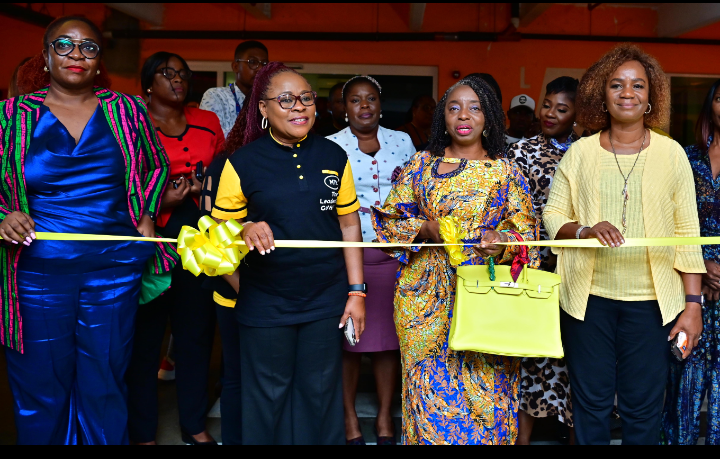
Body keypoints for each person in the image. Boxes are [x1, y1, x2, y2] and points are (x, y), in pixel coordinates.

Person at [0, 16, 174, 445]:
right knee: (42, 382)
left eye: (88, 47)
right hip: (37, 270)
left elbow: (157, 164)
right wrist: (2, 215)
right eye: (64, 45)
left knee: (105, 379)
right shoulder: (11, 116)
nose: (76, 54)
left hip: (113, 269)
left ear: (98, 61)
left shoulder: (126, 110)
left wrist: (147, 213)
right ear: (46, 56)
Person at [543, 43, 705, 445]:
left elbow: (687, 232)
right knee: (591, 406)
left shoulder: (672, 155)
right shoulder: (580, 153)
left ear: (651, 97)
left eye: (638, 85)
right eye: (617, 84)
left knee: (642, 409)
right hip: (588, 302)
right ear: (602, 94)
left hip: (653, 304)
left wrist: (693, 305)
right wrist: (584, 231)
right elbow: (552, 215)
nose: (627, 92)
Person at [372, 75, 540, 445]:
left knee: (488, 397)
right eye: (454, 108)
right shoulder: (420, 164)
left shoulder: (507, 172)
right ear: (443, 117)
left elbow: (528, 237)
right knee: (427, 399)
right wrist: (425, 228)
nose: (464, 115)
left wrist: (502, 242)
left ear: (489, 117)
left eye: (474, 108)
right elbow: (388, 224)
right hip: (424, 300)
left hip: (486, 296)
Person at [211, 62, 366, 445]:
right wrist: (244, 228)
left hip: (325, 301)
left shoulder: (334, 156)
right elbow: (215, 236)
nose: (299, 106)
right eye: (286, 99)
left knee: (320, 396)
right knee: (268, 400)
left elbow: (349, 226)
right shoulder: (241, 162)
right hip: (265, 303)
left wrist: (357, 292)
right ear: (263, 109)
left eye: (306, 98)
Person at [126, 52, 224, 446]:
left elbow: (223, 171)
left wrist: (205, 188)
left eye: (183, 74)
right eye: (168, 73)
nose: (178, 80)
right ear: (149, 83)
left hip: (198, 232)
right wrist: (156, 202)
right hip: (150, 233)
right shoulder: (131, 122)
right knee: (145, 340)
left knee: (195, 335)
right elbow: (120, 180)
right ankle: (143, 433)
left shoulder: (207, 121)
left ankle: (194, 425)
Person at [327, 75, 415, 445]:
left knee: (387, 342)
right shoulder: (331, 146)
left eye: (371, 99)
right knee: (349, 342)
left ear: (381, 104)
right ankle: (349, 418)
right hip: (350, 255)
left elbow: (415, 191)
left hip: (394, 255)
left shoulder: (402, 141)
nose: (364, 106)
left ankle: (383, 419)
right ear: (344, 108)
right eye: (355, 100)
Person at [507, 76, 580, 445]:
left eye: (561, 109)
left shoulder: (590, 152)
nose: (550, 114)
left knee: (578, 357)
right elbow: (510, 209)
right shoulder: (521, 151)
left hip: (579, 270)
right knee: (532, 355)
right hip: (534, 268)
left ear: (577, 114)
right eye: (547, 105)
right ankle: (521, 439)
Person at [661, 80, 720, 446]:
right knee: (683, 386)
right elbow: (669, 222)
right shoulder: (685, 158)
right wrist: (703, 265)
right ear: (710, 105)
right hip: (689, 289)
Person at [199, 40, 268, 136]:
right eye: (252, 62)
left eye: (264, 63)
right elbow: (210, 137)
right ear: (235, 67)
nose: (260, 68)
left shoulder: (268, 101)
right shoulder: (216, 96)